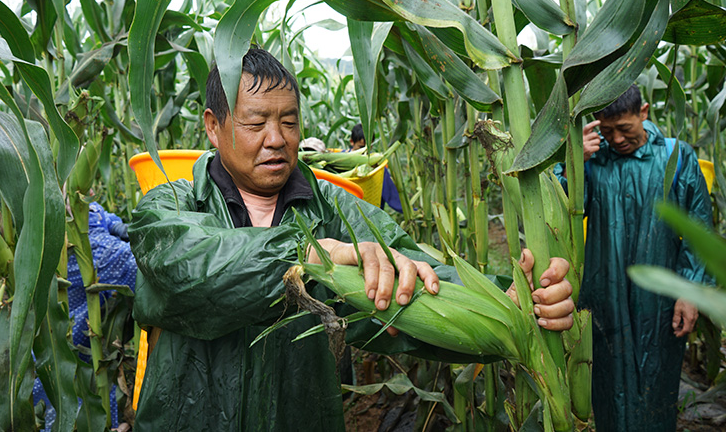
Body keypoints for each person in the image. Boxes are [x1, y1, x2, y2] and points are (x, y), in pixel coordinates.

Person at [129, 47, 575, 430]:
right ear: (213, 125)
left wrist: (511, 302)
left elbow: (415, 277)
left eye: (288, 121)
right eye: (255, 123)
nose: (276, 139)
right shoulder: (171, 207)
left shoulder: (335, 212)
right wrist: (309, 255)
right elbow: (186, 267)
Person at [574, 85, 712, 431]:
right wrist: (573, 163)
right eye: (606, 131)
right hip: (604, 296)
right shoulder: (593, 161)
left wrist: (690, 291)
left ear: (644, 112)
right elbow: (562, 211)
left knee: (656, 383)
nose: (617, 139)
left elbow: (699, 231)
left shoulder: (676, 158)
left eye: (625, 129)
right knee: (608, 384)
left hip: (661, 299)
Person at [349, 123, 403, 213]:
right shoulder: (337, 162)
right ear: (351, 142)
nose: (364, 152)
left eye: (368, 148)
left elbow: (391, 196)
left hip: (371, 216)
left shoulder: (376, 167)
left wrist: (411, 212)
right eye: (361, 147)